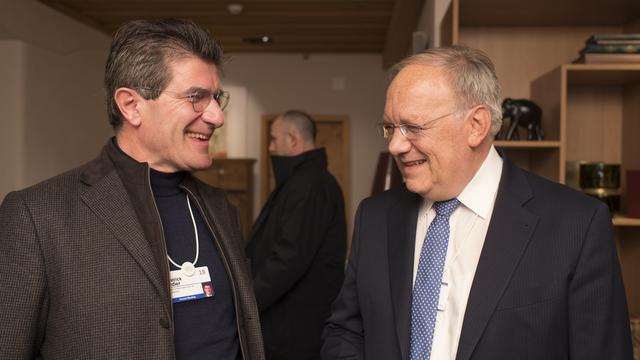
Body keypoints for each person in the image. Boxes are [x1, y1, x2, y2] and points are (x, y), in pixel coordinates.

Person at [322, 45, 633, 360]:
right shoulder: (375, 217)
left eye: (413, 128)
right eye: (390, 127)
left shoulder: (576, 225)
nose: (395, 145)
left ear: (476, 125)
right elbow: (346, 331)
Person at [0, 19, 264, 360]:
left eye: (217, 98)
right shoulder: (37, 216)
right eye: (196, 98)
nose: (216, 116)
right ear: (131, 105)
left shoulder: (220, 208)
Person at [246, 110, 347, 359]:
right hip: (286, 323)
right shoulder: (299, 182)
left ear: (292, 139)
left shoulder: (310, 186)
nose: (270, 147)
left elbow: (288, 258)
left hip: (295, 329)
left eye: (274, 139)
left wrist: (245, 302)